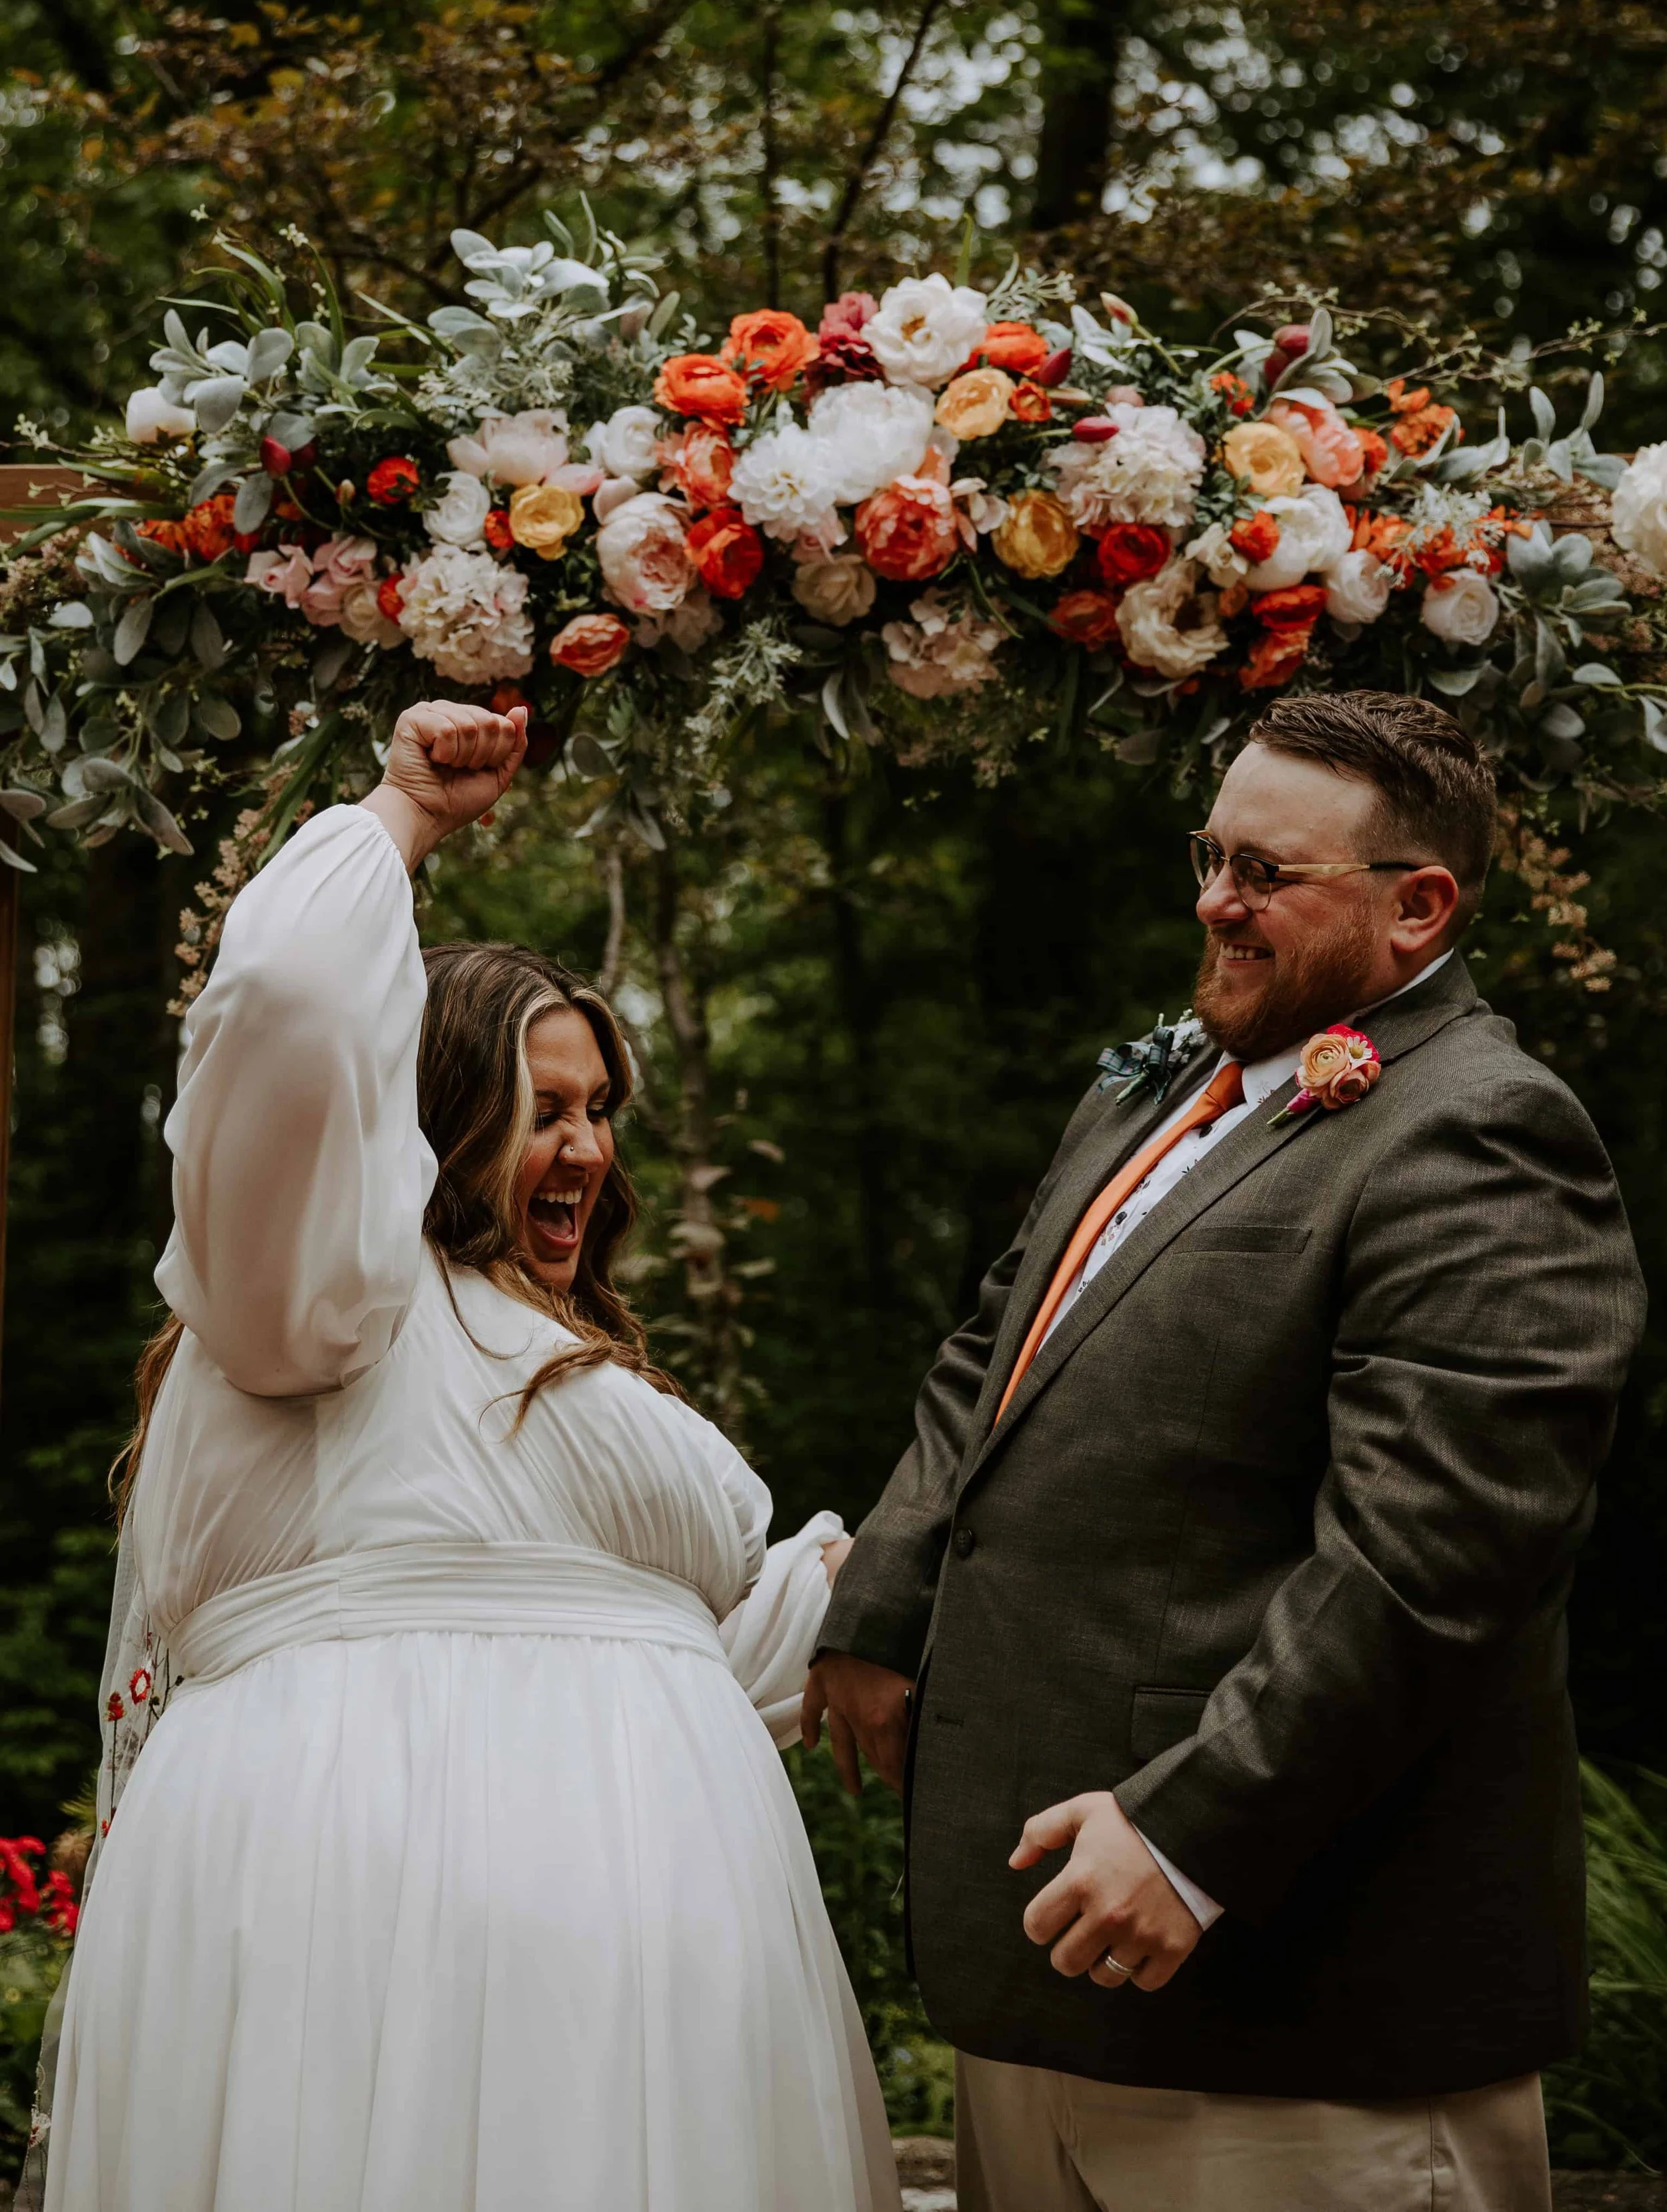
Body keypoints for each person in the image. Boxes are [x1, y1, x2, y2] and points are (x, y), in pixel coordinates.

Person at [40, 700, 902, 2212]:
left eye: (598, 1115)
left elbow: (701, 1656)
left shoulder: (567, 1362)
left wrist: (873, 1573)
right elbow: (297, 999)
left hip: (663, 1964)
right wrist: (405, 813)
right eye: (540, 1111)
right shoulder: (318, 1300)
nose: (587, 1151)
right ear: (422, 1125)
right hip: (352, 1914)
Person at [805, 689, 1644, 2212]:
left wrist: (1191, 1832)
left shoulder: (1480, 1130)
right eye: (1211, 852)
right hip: (1045, 1980)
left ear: (1417, 908)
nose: (1212, 899)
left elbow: (1429, 1559)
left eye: (1266, 873)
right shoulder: (1147, 1086)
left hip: (1290, 2012)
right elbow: (990, 1350)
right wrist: (881, 1595)